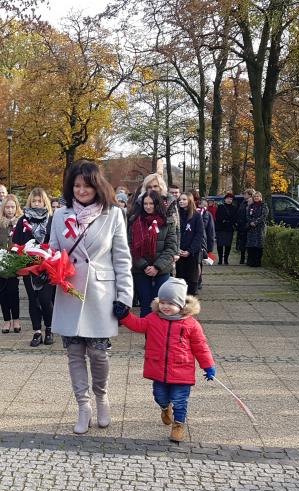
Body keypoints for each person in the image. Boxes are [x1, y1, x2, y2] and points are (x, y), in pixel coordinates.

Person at [49, 160, 133, 434]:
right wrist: (43, 268)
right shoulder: (61, 215)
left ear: (97, 186)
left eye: (86, 185)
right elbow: (52, 252)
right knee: (74, 353)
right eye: (76, 185)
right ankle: (83, 405)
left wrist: (125, 296)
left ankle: (101, 396)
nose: (81, 190)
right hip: (70, 292)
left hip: (100, 294)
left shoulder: (113, 215)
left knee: (98, 353)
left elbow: (122, 259)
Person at [113, 277, 216, 442]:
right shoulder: (153, 318)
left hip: (182, 370)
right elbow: (138, 325)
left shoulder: (191, 324)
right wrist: (125, 316)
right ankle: (164, 407)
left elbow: (201, 346)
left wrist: (208, 366)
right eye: (163, 302)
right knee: (159, 395)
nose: (166, 307)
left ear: (181, 305)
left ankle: (178, 425)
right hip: (158, 369)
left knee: (180, 400)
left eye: (171, 303)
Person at [12, 187, 55, 346]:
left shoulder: (51, 219)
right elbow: (16, 242)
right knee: (33, 299)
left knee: (45, 299)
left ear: (45, 202)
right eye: (34, 201)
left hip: (48, 266)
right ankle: (37, 331)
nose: (37, 203)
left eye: (40, 201)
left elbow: (57, 242)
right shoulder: (22, 220)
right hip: (28, 266)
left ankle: (49, 329)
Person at [128, 190, 178, 317]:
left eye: (151, 203)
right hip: (140, 270)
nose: (148, 206)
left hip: (162, 270)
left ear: (157, 204)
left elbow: (171, 247)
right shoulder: (135, 221)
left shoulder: (168, 222)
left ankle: (159, 336)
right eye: (145, 203)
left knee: (161, 305)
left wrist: (157, 267)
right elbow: (129, 246)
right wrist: (144, 266)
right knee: (145, 306)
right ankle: (148, 336)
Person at [0, 194, 22, 335]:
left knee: (13, 292)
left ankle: (16, 319)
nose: (10, 210)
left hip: (15, 262)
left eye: (12, 207)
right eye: (7, 207)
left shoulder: (21, 223)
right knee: (2, 292)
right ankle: (6, 320)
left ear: (16, 208)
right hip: (0, 262)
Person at [175, 193, 204, 294]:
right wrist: (177, 249)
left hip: (192, 253)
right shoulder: (176, 215)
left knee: (191, 278)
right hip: (179, 252)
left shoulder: (196, 216)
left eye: (184, 199)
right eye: (180, 200)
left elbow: (199, 234)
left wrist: (190, 250)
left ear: (190, 201)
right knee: (180, 277)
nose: (181, 201)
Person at [197, 196, 216, 290]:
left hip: (202, 243)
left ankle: (198, 281)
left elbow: (211, 231)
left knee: (199, 263)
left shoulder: (208, 215)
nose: (203, 207)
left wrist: (210, 248)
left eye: (205, 205)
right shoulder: (194, 213)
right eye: (202, 205)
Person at [214, 192, 238, 264]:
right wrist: (223, 220)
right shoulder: (220, 207)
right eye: (228, 199)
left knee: (228, 245)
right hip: (220, 228)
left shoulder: (234, 208)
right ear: (225, 199)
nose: (229, 200)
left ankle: (226, 259)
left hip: (229, 229)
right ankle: (220, 259)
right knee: (220, 244)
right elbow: (217, 216)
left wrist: (229, 222)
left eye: (231, 199)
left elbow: (235, 218)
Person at [245, 191, 267, 267]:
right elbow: (247, 215)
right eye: (255, 197)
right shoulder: (250, 206)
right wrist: (251, 222)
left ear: (260, 197)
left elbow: (263, 216)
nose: (256, 198)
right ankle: (251, 262)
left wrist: (256, 222)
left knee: (259, 246)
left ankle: (257, 262)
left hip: (260, 228)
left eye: (258, 196)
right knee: (251, 246)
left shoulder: (264, 206)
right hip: (251, 228)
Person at [236, 189, 254, 264]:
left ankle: (249, 258)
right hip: (241, 225)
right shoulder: (243, 203)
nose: (244, 195)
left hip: (248, 225)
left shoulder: (251, 203)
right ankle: (242, 257)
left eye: (245, 194)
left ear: (250, 195)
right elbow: (239, 213)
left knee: (248, 243)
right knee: (242, 242)